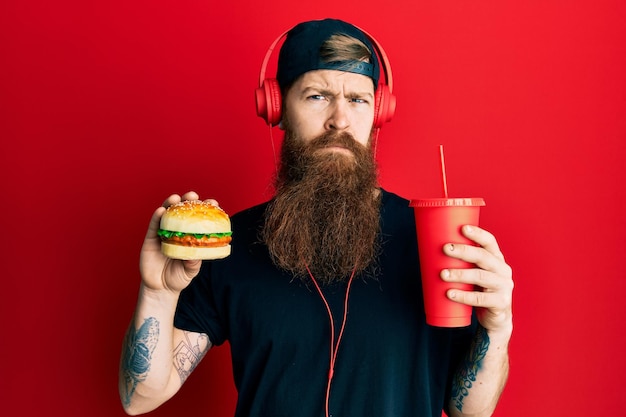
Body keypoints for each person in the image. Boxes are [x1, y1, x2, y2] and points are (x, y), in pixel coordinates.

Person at [118, 18, 513, 417]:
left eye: (358, 100)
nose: (339, 120)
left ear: (378, 114)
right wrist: (158, 293)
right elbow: (140, 397)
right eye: (317, 96)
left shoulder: (431, 242)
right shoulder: (228, 246)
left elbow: (471, 411)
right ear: (276, 109)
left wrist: (497, 329)